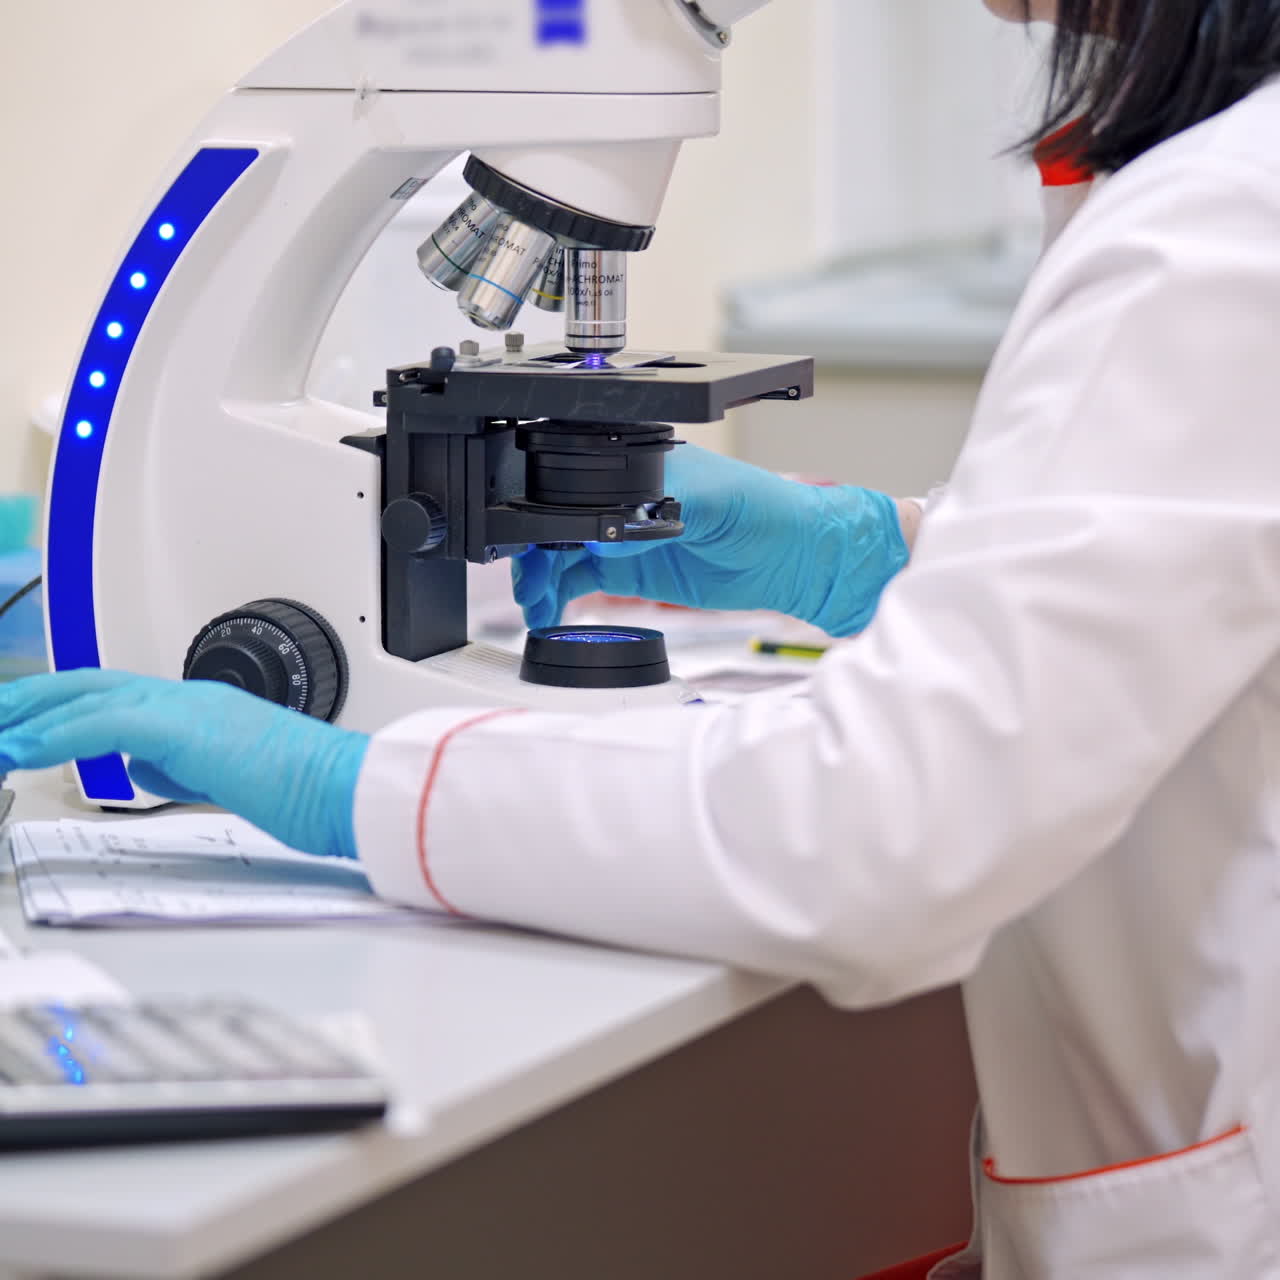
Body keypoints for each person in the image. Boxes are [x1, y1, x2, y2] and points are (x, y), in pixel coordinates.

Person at [5, 0, 1280, 1272]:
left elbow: (871, 830)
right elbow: (1170, 568)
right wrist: (876, 556)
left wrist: (348, 784)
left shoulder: (1219, 227)